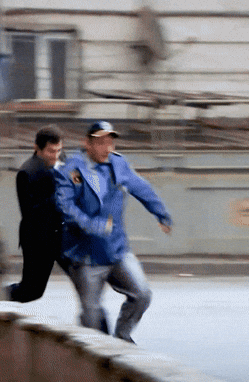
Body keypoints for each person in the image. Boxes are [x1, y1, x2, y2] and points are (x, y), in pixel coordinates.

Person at [54, 121, 172, 343]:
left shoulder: (119, 164)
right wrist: (92, 224)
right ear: (87, 143)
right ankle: (93, 353)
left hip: (116, 250)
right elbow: (66, 207)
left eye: (110, 142)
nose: (107, 148)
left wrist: (161, 213)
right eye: (101, 142)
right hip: (87, 256)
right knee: (91, 318)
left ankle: (122, 337)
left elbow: (141, 187)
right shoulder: (72, 170)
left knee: (142, 294)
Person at [5, 126, 66, 302]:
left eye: (58, 150)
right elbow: (31, 214)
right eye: (51, 151)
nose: (55, 155)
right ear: (37, 148)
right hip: (38, 239)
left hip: (63, 236)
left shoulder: (62, 160)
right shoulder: (27, 173)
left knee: (87, 278)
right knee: (31, 291)